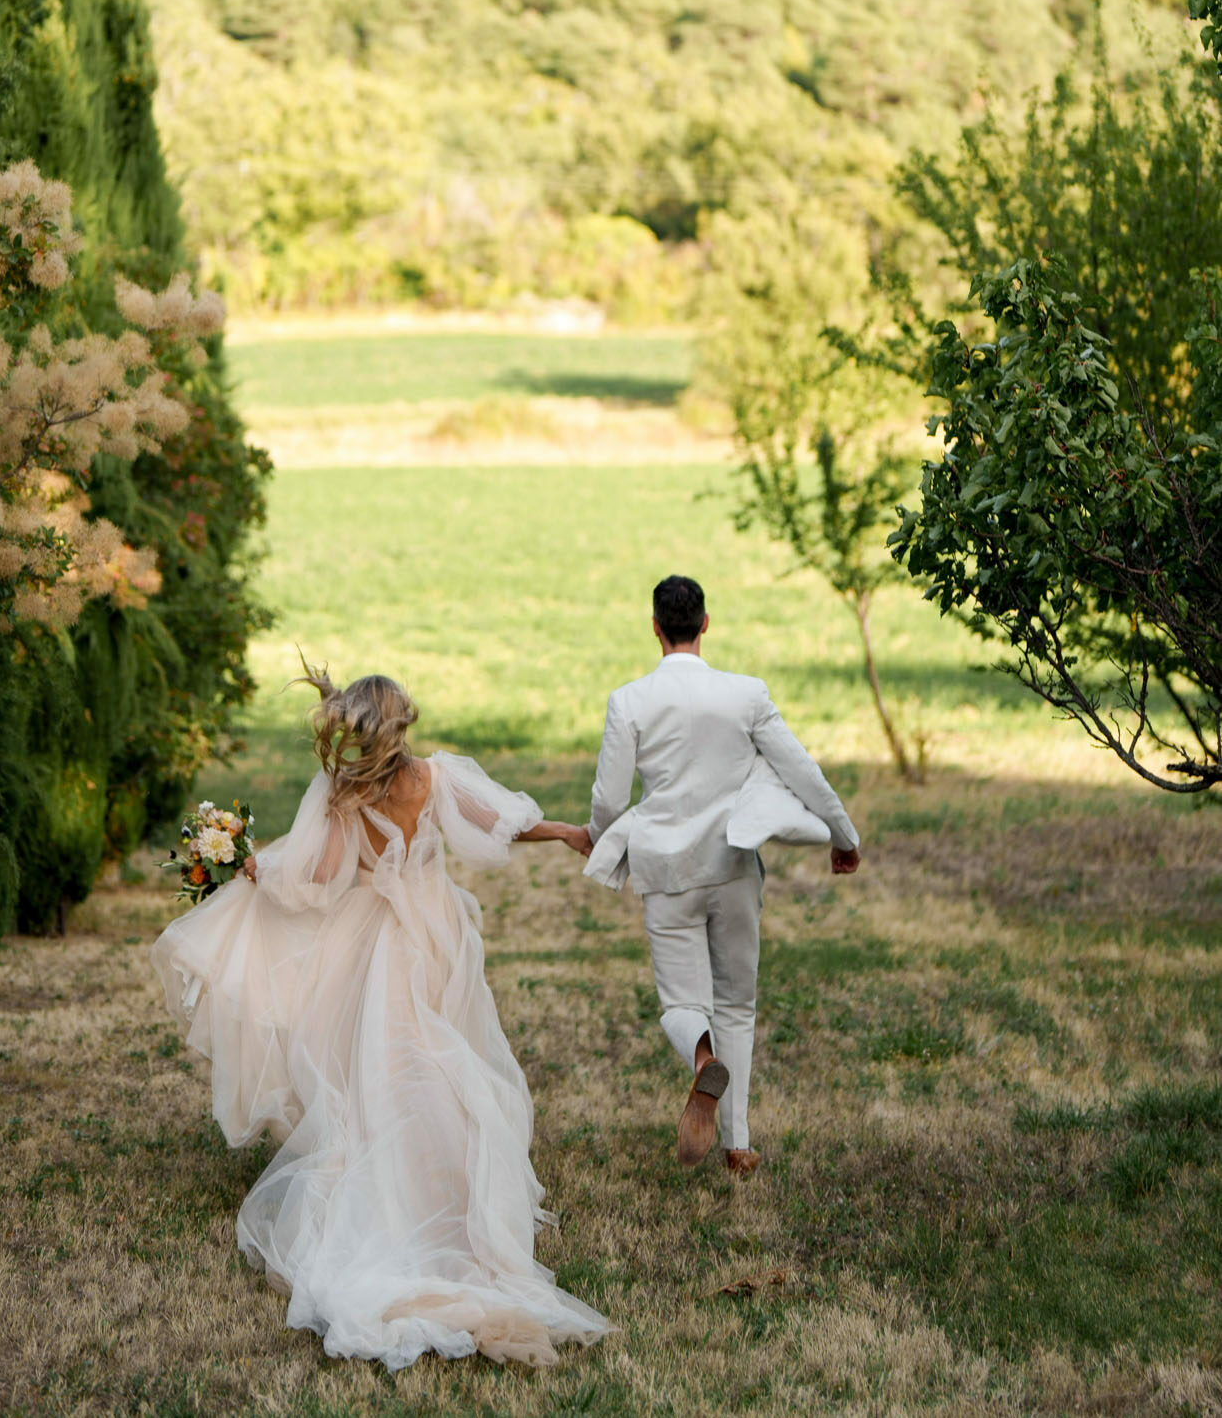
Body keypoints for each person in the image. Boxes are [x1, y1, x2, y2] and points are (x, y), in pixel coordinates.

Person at [151, 662, 609, 1371]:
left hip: (385, 944)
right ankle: (446, 1187)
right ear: (402, 722)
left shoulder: (343, 798)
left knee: (386, 1061)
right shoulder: (435, 778)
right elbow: (498, 827)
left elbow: (314, 883)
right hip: (439, 937)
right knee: (438, 1052)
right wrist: (565, 832)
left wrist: (252, 869)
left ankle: (398, 1181)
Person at [580, 575, 860, 1174]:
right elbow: (801, 769)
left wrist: (597, 836)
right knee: (738, 1003)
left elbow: (607, 801)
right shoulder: (746, 694)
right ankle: (737, 1147)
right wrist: (843, 835)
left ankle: (703, 1060)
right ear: (706, 624)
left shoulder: (628, 701)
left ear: (655, 627)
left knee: (682, 1001)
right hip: (733, 867)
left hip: (665, 869)